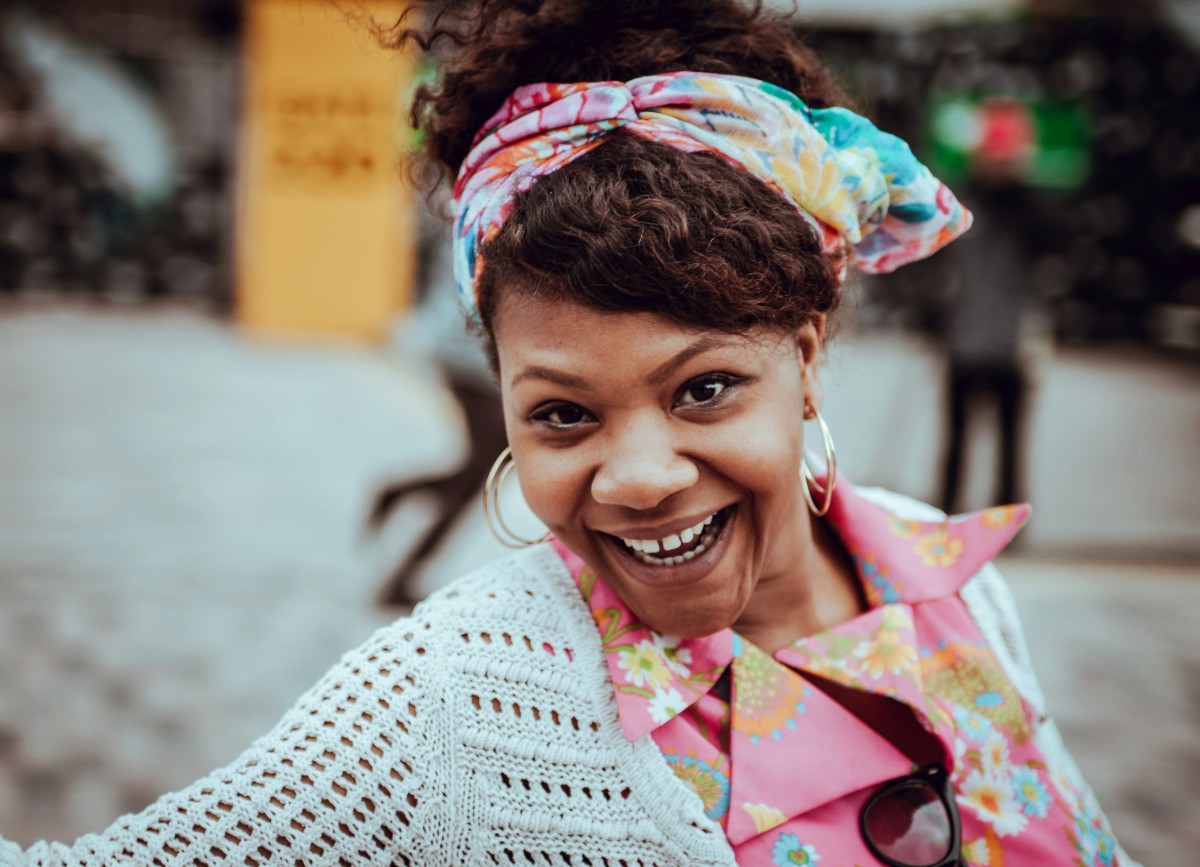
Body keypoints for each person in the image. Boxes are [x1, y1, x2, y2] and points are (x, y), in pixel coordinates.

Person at [1, 2, 1137, 864]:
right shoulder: (463, 701)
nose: (638, 479)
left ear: (807, 347)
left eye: (703, 391)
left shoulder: (958, 584)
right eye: (562, 414)